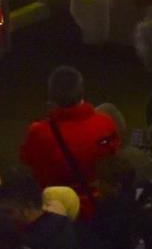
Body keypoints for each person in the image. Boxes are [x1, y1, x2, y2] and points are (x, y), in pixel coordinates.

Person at [20, 64, 122, 221]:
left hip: (56, 213)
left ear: (51, 96)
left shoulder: (39, 132)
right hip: (99, 209)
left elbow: (28, 166)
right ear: (81, 91)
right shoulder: (105, 124)